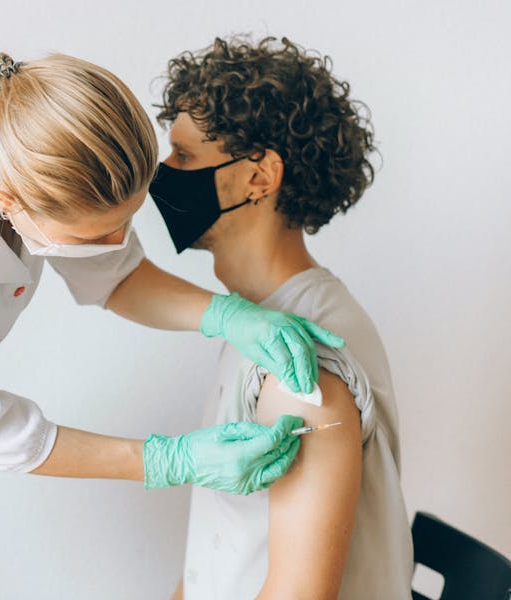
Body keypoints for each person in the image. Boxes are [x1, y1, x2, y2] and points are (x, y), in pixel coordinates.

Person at [0, 49, 344, 599]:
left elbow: (116, 276)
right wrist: (171, 460)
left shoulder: (20, 134)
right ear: (7, 201)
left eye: (125, 225)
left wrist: (228, 314)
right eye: (96, 236)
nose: (116, 246)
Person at [149, 36, 414, 599]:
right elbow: (220, 548)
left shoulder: (300, 368)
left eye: (185, 156)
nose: (162, 173)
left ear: (259, 177)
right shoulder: (255, 321)